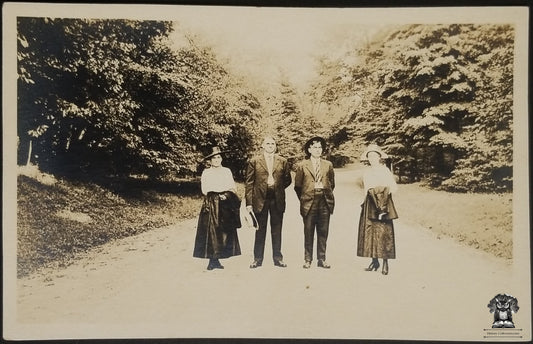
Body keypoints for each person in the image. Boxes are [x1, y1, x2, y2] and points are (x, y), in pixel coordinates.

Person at [245, 135, 292, 268]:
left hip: (277, 200)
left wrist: (277, 188)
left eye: (273, 144)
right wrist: (249, 203)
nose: (271, 146)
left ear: (275, 146)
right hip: (260, 200)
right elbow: (249, 183)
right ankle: (257, 259)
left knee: (277, 230)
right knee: (260, 230)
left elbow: (287, 180)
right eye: (268, 144)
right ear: (263, 146)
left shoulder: (283, 161)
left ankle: (278, 258)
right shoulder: (254, 161)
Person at [193, 146, 242, 270]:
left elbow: (232, 187)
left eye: (219, 157)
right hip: (212, 202)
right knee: (212, 231)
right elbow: (205, 189)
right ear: (210, 160)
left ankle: (219, 258)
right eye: (214, 158)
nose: (216, 160)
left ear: (221, 159)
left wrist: (226, 195)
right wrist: (216, 193)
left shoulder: (227, 171)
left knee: (224, 230)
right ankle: (211, 260)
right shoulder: (206, 172)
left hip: (226, 202)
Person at [356, 144, 398, 275]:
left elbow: (393, 187)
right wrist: (366, 201)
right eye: (370, 156)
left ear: (379, 157)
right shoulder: (367, 172)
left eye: (374, 156)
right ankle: (374, 261)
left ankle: (385, 262)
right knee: (370, 232)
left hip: (383, 203)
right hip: (370, 204)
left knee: (384, 233)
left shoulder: (385, 171)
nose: (372, 158)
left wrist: (382, 195)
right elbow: (366, 189)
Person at [294, 136, 335, 269]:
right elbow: (298, 186)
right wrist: (305, 197)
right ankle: (308, 259)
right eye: (315, 147)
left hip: (324, 200)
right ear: (309, 149)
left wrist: (323, 193)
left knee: (323, 231)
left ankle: (322, 259)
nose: (318, 150)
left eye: (320, 147)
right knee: (308, 231)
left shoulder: (328, 165)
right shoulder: (302, 165)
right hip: (309, 201)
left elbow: (331, 183)